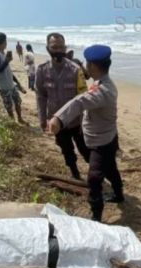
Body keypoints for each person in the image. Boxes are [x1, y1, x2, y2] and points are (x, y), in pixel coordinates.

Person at [47, 45, 123, 222]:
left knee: (94, 179)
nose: (85, 66)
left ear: (94, 66)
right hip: (106, 137)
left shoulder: (103, 90)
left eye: (87, 63)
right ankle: (119, 194)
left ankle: (96, 216)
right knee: (111, 168)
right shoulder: (101, 82)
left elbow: (79, 102)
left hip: (101, 142)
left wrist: (58, 118)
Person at [36, 33, 90, 180]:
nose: (58, 50)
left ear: (65, 48)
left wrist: (85, 121)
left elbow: (84, 97)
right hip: (57, 123)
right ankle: (75, 174)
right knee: (67, 151)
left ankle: (96, 175)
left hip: (77, 122)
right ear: (48, 48)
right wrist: (42, 118)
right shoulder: (41, 70)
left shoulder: (75, 69)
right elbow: (41, 95)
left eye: (61, 47)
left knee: (86, 151)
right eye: (54, 47)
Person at [0, 32, 25, 123]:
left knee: (18, 101)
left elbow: (8, 71)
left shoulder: (3, 53)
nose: (6, 43)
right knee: (9, 106)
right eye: (6, 41)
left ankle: (20, 118)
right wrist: (7, 61)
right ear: (4, 42)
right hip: (3, 86)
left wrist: (17, 83)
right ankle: (12, 122)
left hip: (11, 84)